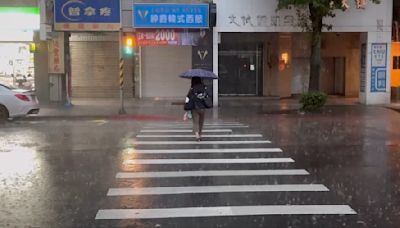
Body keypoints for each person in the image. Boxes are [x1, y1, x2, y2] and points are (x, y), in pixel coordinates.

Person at [186, 77, 208, 141]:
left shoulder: (192, 89)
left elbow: (188, 98)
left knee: (195, 122)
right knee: (201, 122)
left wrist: (187, 108)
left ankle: (197, 136)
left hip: (195, 108)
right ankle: (200, 134)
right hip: (202, 108)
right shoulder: (204, 87)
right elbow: (207, 96)